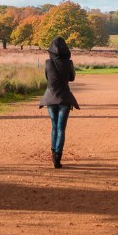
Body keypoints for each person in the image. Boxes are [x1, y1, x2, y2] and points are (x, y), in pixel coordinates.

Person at [39, 36, 79, 168]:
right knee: (61, 128)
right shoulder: (69, 63)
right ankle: (57, 157)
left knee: (54, 126)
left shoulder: (47, 63)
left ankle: (53, 153)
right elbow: (72, 78)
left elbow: (47, 78)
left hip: (50, 97)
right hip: (64, 98)